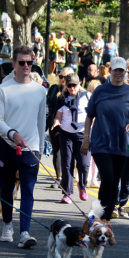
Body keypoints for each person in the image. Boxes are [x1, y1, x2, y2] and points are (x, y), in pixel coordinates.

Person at [0, 45, 46, 248]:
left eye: (29, 62)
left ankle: (25, 232)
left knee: (28, 190)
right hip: (7, 146)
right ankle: (8, 224)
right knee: (6, 188)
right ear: (14, 64)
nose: (26, 66)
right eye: (21, 62)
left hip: (30, 149)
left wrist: (39, 149)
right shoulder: (3, 89)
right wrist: (12, 134)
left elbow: (41, 123)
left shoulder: (40, 91)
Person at [81, 57, 129, 221]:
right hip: (101, 143)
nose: (118, 73)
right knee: (107, 178)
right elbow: (89, 116)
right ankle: (99, 214)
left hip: (122, 143)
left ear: (125, 72)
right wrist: (86, 138)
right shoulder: (100, 91)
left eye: (121, 70)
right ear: (110, 71)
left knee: (115, 181)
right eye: (115, 70)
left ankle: (105, 220)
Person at [51, 73, 91, 204]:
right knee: (67, 163)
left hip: (82, 134)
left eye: (74, 85)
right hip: (66, 134)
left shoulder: (87, 96)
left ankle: (82, 185)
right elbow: (58, 115)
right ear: (65, 86)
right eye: (69, 85)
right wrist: (56, 122)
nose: (72, 88)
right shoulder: (62, 98)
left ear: (80, 84)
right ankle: (67, 192)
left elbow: (93, 115)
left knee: (84, 164)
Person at [46, 67, 74, 188]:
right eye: (61, 77)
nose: (63, 79)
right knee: (56, 151)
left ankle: (68, 177)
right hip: (54, 124)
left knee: (67, 152)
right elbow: (48, 104)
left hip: (68, 125)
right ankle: (59, 177)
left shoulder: (72, 90)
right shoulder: (53, 89)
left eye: (66, 77)